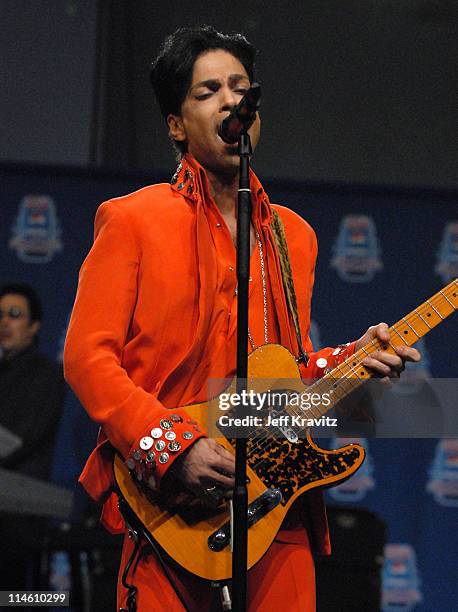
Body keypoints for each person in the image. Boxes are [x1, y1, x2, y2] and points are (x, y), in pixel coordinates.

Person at [64, 25, 420, 611]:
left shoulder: (293, 236)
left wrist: (348, 363)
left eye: (239, 87)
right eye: (207, 91)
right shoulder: (132, 219)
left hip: (275, 502)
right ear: (176, 126)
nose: (232, 100)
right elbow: (86, 356)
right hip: (168, 506)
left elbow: (275, 385)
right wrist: (174, 448)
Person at [0, 282, 65, 589]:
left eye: (14, 314)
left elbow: (18, 440)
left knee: (14, 595)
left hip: (18, 512)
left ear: (34, 325)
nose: (4, 322)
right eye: (0, 314)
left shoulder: (46, 375)